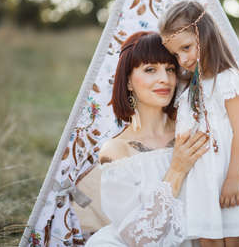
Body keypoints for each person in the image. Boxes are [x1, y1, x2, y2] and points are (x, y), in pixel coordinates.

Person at [159, 1, 239, 247]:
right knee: (207, 238)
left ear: (205, 34)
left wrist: (233, 179)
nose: (183, 59)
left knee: (233, 235)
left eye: (186, 47)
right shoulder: (188, 89)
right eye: (176, 54)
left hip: (229, 173)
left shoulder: (227, 80)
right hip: (201, 179)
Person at [85, 31, 209, 247]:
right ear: (129, 81)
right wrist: (177, 170)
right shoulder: (117, 150)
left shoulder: (194, 130)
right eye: (150, 69)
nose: (165, 79)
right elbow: (138, 237)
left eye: (170, 69)